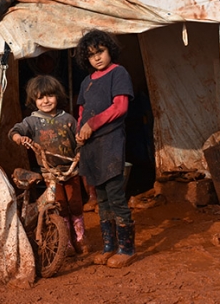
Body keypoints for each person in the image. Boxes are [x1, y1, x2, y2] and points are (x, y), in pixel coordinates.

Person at [9, 75, 90, 255]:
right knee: (59, 205)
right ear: (33, 100)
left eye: (50, 96)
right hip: (49, 172)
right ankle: (65, 242)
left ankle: (80, 237)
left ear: (57, 96)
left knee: (75, 204)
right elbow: (15, 131)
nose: (46, 101)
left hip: (70, 169)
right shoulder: (32, 121)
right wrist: (19, 138)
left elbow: (78, 140)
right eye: (40, 97)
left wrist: (80, 146)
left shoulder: (67, 118)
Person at [75, 29, 136, 268]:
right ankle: (109, 246)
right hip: (92, 147)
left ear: (109, 49)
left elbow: (120, 107)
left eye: (100, 51)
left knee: (116, 196)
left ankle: (127, 248)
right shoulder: (86, 82)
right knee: (100, 198)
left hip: (110, 142)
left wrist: (93, 123)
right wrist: (80, 131)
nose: (97, 58)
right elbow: (81, 112)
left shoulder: (118, 73)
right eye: (91, 55)